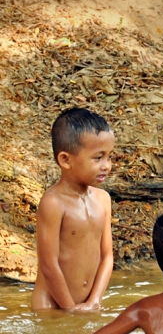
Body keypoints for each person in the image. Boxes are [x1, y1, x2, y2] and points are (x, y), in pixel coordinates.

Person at [31, 107, 114, 311]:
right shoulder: (53, 203)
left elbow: (107, 256)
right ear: (65, 160)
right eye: (98, 158)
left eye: (109, 157)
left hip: (87, 305)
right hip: (51, 306)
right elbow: (48, 265)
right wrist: (69, 309)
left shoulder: (103, 199)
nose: (106, 165)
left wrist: (94, 301)